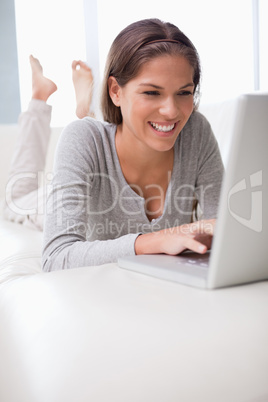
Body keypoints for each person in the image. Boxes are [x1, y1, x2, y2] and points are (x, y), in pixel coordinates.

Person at [42, 18, 224, 272]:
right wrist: (155, 240)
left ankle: (86, 106)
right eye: (151, 92)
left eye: (184, 92)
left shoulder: (196, 130)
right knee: (18, 199)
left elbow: (224, 228)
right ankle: (67, 103)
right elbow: (55, 258)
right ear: (115, 91)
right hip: (41, 207)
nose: (171, 112)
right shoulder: (83, 139)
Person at [3, 55, 94, 230]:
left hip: (69, 203)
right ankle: (85, 119)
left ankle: (42, 99)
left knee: (14, 202)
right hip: (82, 194)